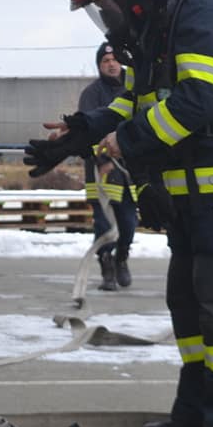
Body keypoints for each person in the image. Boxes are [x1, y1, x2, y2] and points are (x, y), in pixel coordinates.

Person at [25, 0, 213, 427]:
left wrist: (128, 141)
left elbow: (200, 100)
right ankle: (194, 416)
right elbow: (135, 102)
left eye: (102, 6)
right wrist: (83, 129)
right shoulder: (159, 27)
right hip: (194, 190)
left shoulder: (203, 13)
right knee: (187, 303)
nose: (104, 19)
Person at [79, 42, 137, 290]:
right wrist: (102, 160)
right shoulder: (91, 94)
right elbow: (88, 131)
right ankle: (107, 266)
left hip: (129, 171)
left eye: (114, 59)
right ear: (99, 65)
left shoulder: (134, 88)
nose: (111, 64)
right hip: (101, 170)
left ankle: (121, 257)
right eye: (105, 61)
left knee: (128, 223)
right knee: (104, 222)